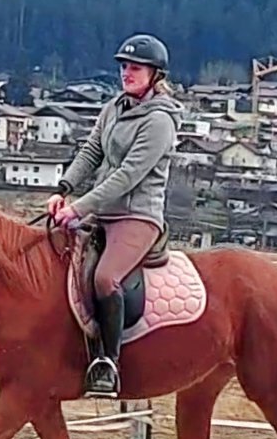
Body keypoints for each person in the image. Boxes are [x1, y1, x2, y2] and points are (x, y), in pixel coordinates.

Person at [48, 33, 183, 398]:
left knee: (106, 278)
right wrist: (63, 189)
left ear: (155, 74)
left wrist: (79, 207)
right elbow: (92, 151)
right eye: (124, 67)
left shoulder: (159, 122)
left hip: (137, 215)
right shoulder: (114, 108)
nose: (127, 73)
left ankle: (108, 365)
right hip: (102, 212)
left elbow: (128, 176)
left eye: (135, 68)